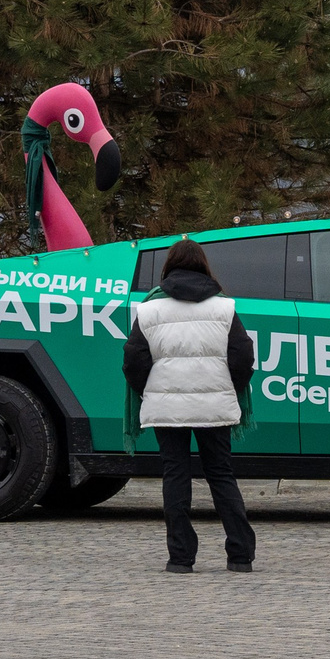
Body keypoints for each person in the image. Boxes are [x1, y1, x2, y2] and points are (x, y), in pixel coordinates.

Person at [122, 238, 257, 573]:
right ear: (203, 266)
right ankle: (240, 555)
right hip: (215, 405)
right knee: (221, 475)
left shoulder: (150, 309)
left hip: (166, 407)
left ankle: (180, 558)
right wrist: (227, 388)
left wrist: (152, 389)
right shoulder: (224, 308)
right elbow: (243, 356)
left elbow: (133, 360)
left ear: (168, 267)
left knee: (176, 475)